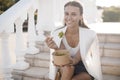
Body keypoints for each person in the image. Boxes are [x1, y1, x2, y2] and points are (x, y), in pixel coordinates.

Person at [45, 1, 102, 80]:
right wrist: (56, 47)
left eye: (73, 14)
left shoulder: (89, 34)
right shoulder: (58, 33)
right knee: (68, 68)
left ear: (81, 16)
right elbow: (64, 58)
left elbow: (75, 59)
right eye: (66, 14)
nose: (69, 18)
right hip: (65, 65)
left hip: (83, 67)